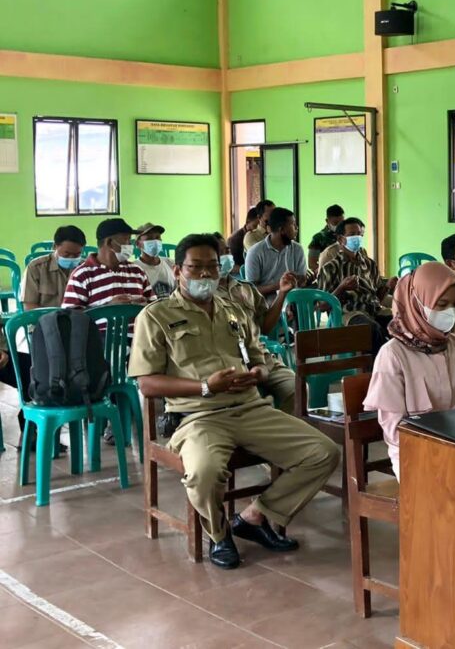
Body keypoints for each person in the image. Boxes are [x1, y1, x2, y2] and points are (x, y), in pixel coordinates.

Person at [128, 233, 340, 569]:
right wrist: (204, 387)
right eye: (195, 268)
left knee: (323, 453)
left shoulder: (235, 311)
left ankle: (254, 516)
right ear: (178, 270)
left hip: (250, 408)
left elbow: (258, 358)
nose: (205, 275)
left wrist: (256, 373)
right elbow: (147, 383)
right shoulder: (155, 317)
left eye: (212, 267)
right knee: (206, 471)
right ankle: (219, 534)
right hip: (197, 417)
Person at [364, 262, 455, 480]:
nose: (450, 312)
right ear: (417, 302)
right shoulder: (393, 354)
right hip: (416, 454)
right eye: (441, 304)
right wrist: (442, 445)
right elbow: (394, 429)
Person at [215, 233, 297, 414]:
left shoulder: (245, 289)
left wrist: (282, 293)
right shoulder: (204, 296)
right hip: (230, 361)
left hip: (260, 354)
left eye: (227, 251)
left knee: (296, 388)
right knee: (249, 402)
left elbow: (265, 326)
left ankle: (283, 432)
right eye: (220, 253)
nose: (226, 256)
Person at [62, 218, 155, 311]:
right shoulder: (81, 275)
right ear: (110, 243)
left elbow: (153, 305)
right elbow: (71, 317)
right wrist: (107, 307)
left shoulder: (137, 271)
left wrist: (145, 306)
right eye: (127, 240)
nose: (131, 245)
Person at [317, 218, 397, 326]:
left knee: (401, 323)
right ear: (341, 239)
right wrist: (342, 288)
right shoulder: (330, 268)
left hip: (374, 311)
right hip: (349, 314)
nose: (357, 238)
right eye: (352, 234)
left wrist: (387, 286)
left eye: (359, 234)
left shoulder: (370, 264)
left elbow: (377, 298)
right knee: (371, 328)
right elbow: (322, 306)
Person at [244, 207, 307, 303]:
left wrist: (301, 279)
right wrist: (280, 286)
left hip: (293, 302)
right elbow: (251, 291)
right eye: (293, 225)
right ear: (281, 229)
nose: (296, 228)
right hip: (265, 305)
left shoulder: (297, 249)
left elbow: (302, 281)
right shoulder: (255, 252)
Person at [23, 225, 86, 310]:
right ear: (55, 246)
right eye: (66, 254)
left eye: (77, 254)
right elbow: (29, 306)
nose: (71, 258)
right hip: (43, 320)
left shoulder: (86, 269)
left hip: (78, 320)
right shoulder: (36, 268)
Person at [134, 223, 176, 298]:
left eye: (157, 237)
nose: (155, 241)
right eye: (149, 239)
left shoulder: (171, 264)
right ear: (138, 244)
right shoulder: (134, 270)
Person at [307, 204, 345, 275]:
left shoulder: (348, 236)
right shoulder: (318, 238)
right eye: (335, 223)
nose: (339, 226)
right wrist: (327, 273)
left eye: (342, 223)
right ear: (327, 221)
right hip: (327, 277)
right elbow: (312, 264)